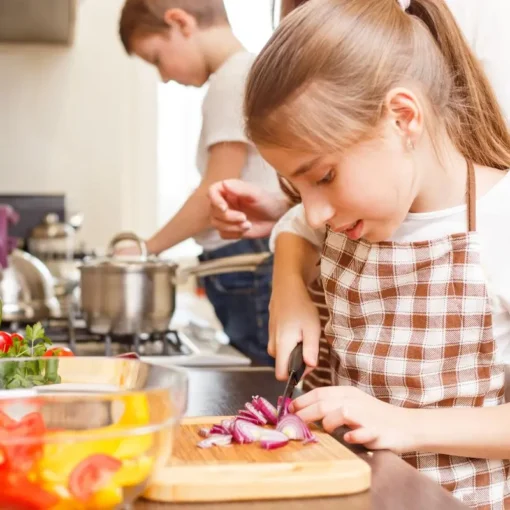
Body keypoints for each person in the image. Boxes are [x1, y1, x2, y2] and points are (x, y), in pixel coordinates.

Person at [220, 0, 510, 506]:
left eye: (324, 176)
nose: (314, 212)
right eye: (298, 186)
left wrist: (400, 424)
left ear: (403, 117)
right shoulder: (352, 214)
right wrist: (288, 290)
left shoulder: (498, 225)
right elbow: (295, 227)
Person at [118, 0, 283, 366]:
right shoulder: (242, 74)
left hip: (246, 260)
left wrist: (146, 249)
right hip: (243, 260)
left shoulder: (232, 79)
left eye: (156, 58)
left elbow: (216, 191)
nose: (163, 76)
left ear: (180, 22)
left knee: (259, 379)